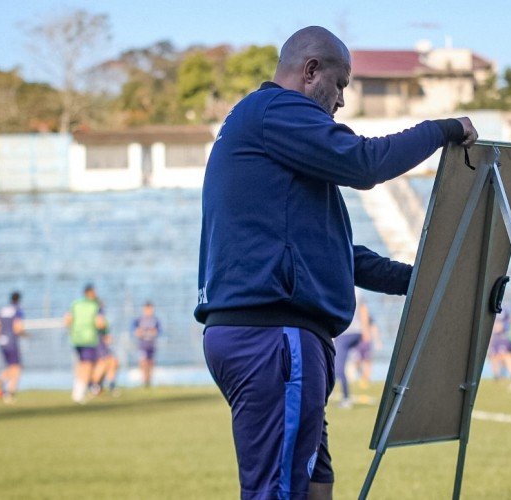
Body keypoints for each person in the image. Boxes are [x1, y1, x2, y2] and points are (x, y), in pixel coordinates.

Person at [195, 26, 477, 499]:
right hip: (275, 336)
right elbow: (364, 164)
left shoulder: (278, 145)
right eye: (341, 84)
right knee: (279, 492)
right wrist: (443, 129)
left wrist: (420, 280)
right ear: (310, 71)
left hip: (269, 335)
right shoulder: (277, 111)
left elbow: (339, 257)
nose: (342, 100)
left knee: (316, 484)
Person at [65, 284, 105, 404]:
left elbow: (67, 320)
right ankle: (80, 392)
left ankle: (77, 389)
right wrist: (104, 329)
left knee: (81, 363)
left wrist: (74, 330)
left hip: (76, 338)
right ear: (91, 293)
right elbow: (100, 323)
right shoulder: (95, 305)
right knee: (87, 365)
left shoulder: (75, 303)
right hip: (89, 339)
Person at [333, 290, 370, 407]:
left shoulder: (352, 290)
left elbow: (363, 311)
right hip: (351, 333)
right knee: (337, 365)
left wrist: (365, 331)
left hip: (347, 333)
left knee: (338, 368)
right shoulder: (356, 290)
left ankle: (346, 398)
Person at [0, 291, 25, 404]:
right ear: (19, 299)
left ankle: (0, 381)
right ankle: (9, 394)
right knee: (16, 369)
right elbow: (17, 327)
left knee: (10, 367)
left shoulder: (3, 310)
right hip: (12, 342)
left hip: (2, 342)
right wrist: (24, 334)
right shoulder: (17, 310)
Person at [91, 302, 120, 397]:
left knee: (113, 362)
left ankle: (111, 386)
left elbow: (104, 328)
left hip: (102, 343)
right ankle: (95, 386)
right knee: (103, 363)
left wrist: (107, 335)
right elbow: (99, 323)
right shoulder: (94, 312)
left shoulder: (100, 312)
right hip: (95, 343)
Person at [132, 301, 161, 388]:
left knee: (151, 362)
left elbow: (158, 331)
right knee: (143, 362)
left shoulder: (155, 320)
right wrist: (139, 332)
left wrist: (153, 332)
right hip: (142, 344)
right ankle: (144, 379)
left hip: (151, 344)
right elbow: (134, 330)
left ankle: (149, 380)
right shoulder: (139, 319)